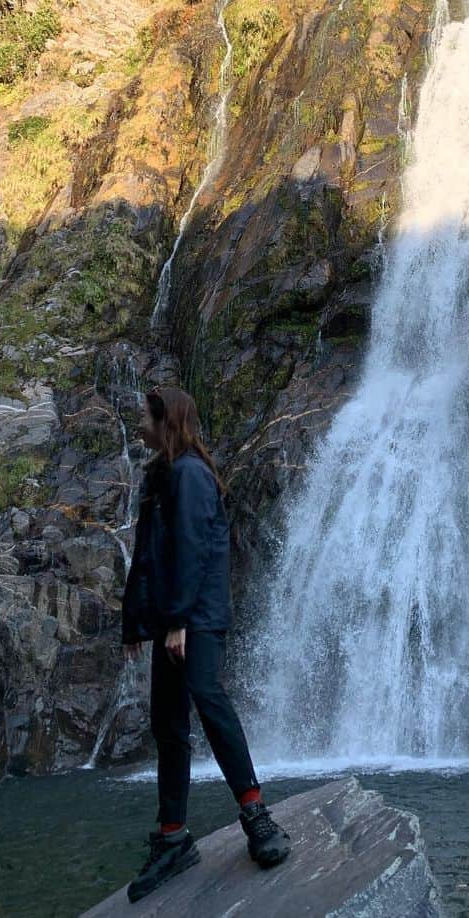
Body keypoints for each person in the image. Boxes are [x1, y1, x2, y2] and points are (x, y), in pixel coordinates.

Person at [120, 384, 291, 902]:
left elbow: (192, 552)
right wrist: (136, 624)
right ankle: (172, 837)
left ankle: (256, 815)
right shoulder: (162, 475)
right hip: (176, 617)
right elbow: (151, 558)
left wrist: (178, 622)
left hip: (197, 618)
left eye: (145, 416)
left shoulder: (190, 474)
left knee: (209, 702)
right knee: (168, 726)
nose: (138, 423)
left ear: (165, 419)